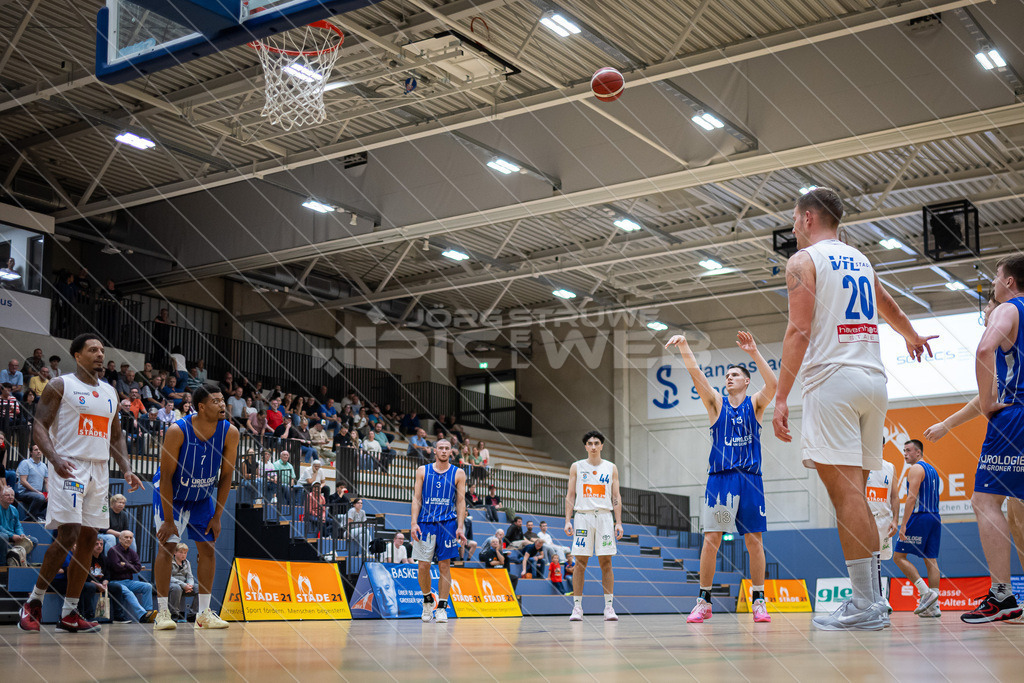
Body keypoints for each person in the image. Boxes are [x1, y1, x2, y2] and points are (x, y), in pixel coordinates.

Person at [771, 187, 935, 632]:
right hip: (873, 381)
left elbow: (798, 330)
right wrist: (911, 335)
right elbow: (887, 304)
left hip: (834, 380)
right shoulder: (859, 258)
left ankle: (866, 603)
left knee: (845, 496)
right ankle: (870, 599)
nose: (791, 225)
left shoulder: (803, 261)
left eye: (793, 216)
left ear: (808, 217)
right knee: (857, 494)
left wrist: (782, 395)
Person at [18, 333, 143, 633]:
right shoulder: (61, 385)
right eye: (92, 350)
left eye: (102, 349)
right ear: (77, 355)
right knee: (69, 533)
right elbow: (39, 426)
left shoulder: (111, 392)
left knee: (89, 538)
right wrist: (55, 459)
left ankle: (69, 612)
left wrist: (125, 468)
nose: (100, 354)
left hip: (100, 470)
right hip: (69, 466)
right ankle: (33, 601)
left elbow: (116, 437)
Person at [666, 331, 777, 625]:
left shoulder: (756, 405)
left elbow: (774, 384)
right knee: (711, 540)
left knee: (754, 541)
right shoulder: (716, 404)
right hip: (720, 480)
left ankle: (758, 600)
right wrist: (685, 346)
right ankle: (703, 601)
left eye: (734, 375)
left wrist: (753, 351)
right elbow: (696, 375)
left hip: (750, 479)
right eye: (726, 375)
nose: (728, 378)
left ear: (746, 381)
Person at [962, 255, 1024, 623]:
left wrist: (986, 403)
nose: (995, 285)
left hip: (1015, 414)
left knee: (985, 501)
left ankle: (1002, 594)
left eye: (998, 278)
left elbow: (984, 350)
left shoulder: (1010, 308)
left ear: (1011, 283)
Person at [152, 383, 238, 630]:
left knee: (208, 549)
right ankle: (163, 613)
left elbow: (226, 476)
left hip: (201, 497)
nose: (222, 405)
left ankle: (204, 613)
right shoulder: (177, 431)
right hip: (172, 495)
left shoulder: (230, 432)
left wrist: (218, 515)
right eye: (216, 401)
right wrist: (168, 520)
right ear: (201, 407)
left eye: (223, 400)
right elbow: (166, 476)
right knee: (167, 547)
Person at [565, 430, 623, 621]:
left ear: (602, 446)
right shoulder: (577, 467)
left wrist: (618, 522)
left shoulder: (611, 467)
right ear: (585, 446)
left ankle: (608, 607)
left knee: (606, 562)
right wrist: (567, 520)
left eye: (596, 443)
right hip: (583, 517)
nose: (593, 446)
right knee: (580, 563)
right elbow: (571, 495)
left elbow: (616, 496)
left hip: (605, 517)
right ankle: (577, 608)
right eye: (589, 443)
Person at [410, 438, 467, 623]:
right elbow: (416, 498)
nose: (443, 451)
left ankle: (442, 607)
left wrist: (460, 526)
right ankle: (427, 601)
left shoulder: (459, 473)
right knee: (423, 566)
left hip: (448, 524)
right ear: (434, 450)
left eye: (447, 448)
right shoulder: (422, 471)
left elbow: (460, 501)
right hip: (425, 523)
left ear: (451, 452)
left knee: (444, 566)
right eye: (440, 448)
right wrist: (413, 523)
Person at [892, 439, 943, 619]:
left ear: (918, 453)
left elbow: (911, 498)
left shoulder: (915, 469)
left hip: (920, 516)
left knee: (898, 556)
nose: (905, 454)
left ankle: (925, 592)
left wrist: (903, 524)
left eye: (908, 450)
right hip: (935, 517)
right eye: (904, 450)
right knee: (931, 560)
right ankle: (934, 606)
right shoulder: (932, 470)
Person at [865, 453, 899, 617]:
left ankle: (878, 602)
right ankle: (875, 601)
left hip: (883, 521)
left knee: (876, 561)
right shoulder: (861, 464)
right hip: (864, 519)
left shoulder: (890, 467)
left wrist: (895, 520)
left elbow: (894, 497)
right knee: (866, 561)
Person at [107, 530, 157, 623]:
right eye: (126, 537)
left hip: (129, 581)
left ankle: (148, 612)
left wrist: (124, 564)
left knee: (147, 586)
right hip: (115, 582)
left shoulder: (132, 552)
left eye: (130, 538)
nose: (128, 539)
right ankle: (142, 615)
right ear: (120, 539)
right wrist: (130, 565)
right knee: (128, 592)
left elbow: (137, 568)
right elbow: (116, 567)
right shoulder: (113, 551)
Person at [1, 485, 37, 567]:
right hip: (4, 535)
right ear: (1, 497)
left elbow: (18, 525)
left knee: (33, 541)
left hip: (13, 535)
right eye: (7, 495)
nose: (11, 497)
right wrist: (12, 535)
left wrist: (21, 534)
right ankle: (3, 563)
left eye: (12, 495)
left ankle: (22, 561)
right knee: (3, 536)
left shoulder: (14, 509)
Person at [15, 444, 48, 521]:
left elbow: (46, 482)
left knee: (52, 498)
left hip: (37, 493)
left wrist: (49, 493)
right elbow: (23, 481)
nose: (39, 451)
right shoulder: (25, 463)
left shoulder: (44, 466)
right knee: (40, 497)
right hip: (24, 492)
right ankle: (29, 518)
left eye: (40, 450)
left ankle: (41, 517)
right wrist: (37, 492)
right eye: (36, 450)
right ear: (31, 452)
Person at [168, 542, 196, 622]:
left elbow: (190, 576)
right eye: (180, 552)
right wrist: (183, 585)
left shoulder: (187, 562)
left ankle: (192, 615)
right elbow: (169, 577)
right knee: (177, 588)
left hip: (185, 586)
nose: (183, 555)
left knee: (199, 589)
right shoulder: (169, 561)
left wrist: (190, 585)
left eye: (185, 553)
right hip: (172, 585)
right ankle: (174, 614)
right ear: (175, 552)